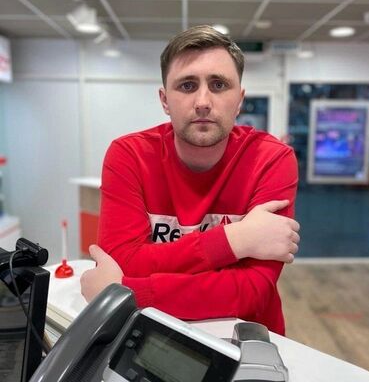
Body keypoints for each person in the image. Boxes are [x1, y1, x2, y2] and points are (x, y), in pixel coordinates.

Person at [80, 25, 300, 335]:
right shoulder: (129, 155)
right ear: (164, 100)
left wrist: (130, 293)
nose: (203, 101)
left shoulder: (272, 159)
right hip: (150, 332)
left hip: (245, 337)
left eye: (219, 84)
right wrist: (237, 240)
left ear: (239, 99)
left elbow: (253, 290)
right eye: (187, 85)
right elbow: (123, 260)